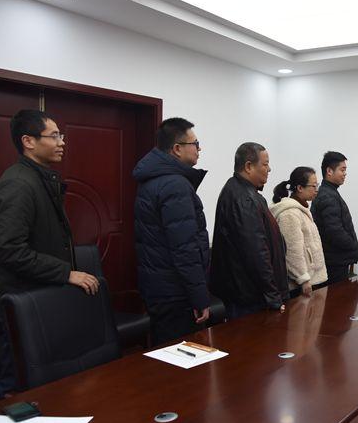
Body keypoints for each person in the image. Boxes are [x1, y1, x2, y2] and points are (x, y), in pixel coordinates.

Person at [0, 109, 99, 397]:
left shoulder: (39, 177)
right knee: (17, 390)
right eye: (54, 136)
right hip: (19, 302)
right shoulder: (19, 183)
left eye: (61, 135)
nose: (61, 142)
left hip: (38, 296)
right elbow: (9, 249)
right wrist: (66, 273)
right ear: (28, 141)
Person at [133, 117, 210, 346]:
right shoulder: (175, 185)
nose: (199, 149)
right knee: (183, 355)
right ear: (177, 148)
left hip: (159, 288)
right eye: (195, 144)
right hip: (176, 292)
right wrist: (199, 297)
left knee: (165, 353)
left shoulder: (154, 179)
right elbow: (185, 248)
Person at [209, 142, 289, 318]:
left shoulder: (242, 191)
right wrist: (273, 296)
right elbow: (256, 253)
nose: (269, 169)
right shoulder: (243, 199)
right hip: (249, 296)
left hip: (248, 293)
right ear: (248, 166)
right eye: (265, 164)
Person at [270, 167, 328, 298]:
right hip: (301, 284)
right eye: (313, 186)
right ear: (300, 188)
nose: (317, 189)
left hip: (312, 279)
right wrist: (303, 279)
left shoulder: (301, 209)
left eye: (317, 185)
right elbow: (292, 250)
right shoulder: (290, 213)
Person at [311, 151, 358, 285]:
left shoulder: (328, 192)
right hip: (334, 264)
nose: (345, 173)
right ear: (329, 171)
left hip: (334, 260)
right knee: (336, 297)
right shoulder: (328, 196)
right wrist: (352, 245)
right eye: (342, 170)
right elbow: (334, 231)